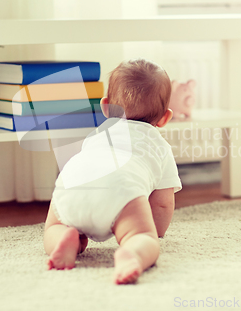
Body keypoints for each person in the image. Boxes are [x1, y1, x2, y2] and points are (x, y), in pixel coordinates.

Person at [43, 58, 182, 284]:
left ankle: (64, 239)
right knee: (143, 238)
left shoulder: (97, 134)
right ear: (165, 117)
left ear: (106, 107)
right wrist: (151, 232)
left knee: (55, 225)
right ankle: (132, 252)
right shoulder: (159, 145)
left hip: (71, 181)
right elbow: (163, 202)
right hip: (121, 189)